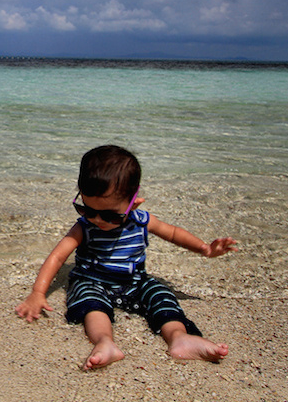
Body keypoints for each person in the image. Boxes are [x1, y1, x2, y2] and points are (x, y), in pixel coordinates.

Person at [15, 145, 237, 370]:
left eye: (111, 215)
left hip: (136, 281)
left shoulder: (141, 221)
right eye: (88, 210)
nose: (98, 220)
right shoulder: (83, 228)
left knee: (161, 296)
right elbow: (58, 256)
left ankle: (179, 337)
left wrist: (205, 249)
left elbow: (173, 233)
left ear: (135, 203)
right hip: (92, 280)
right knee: (92, 306)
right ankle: (105, 342)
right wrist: (38, 292)